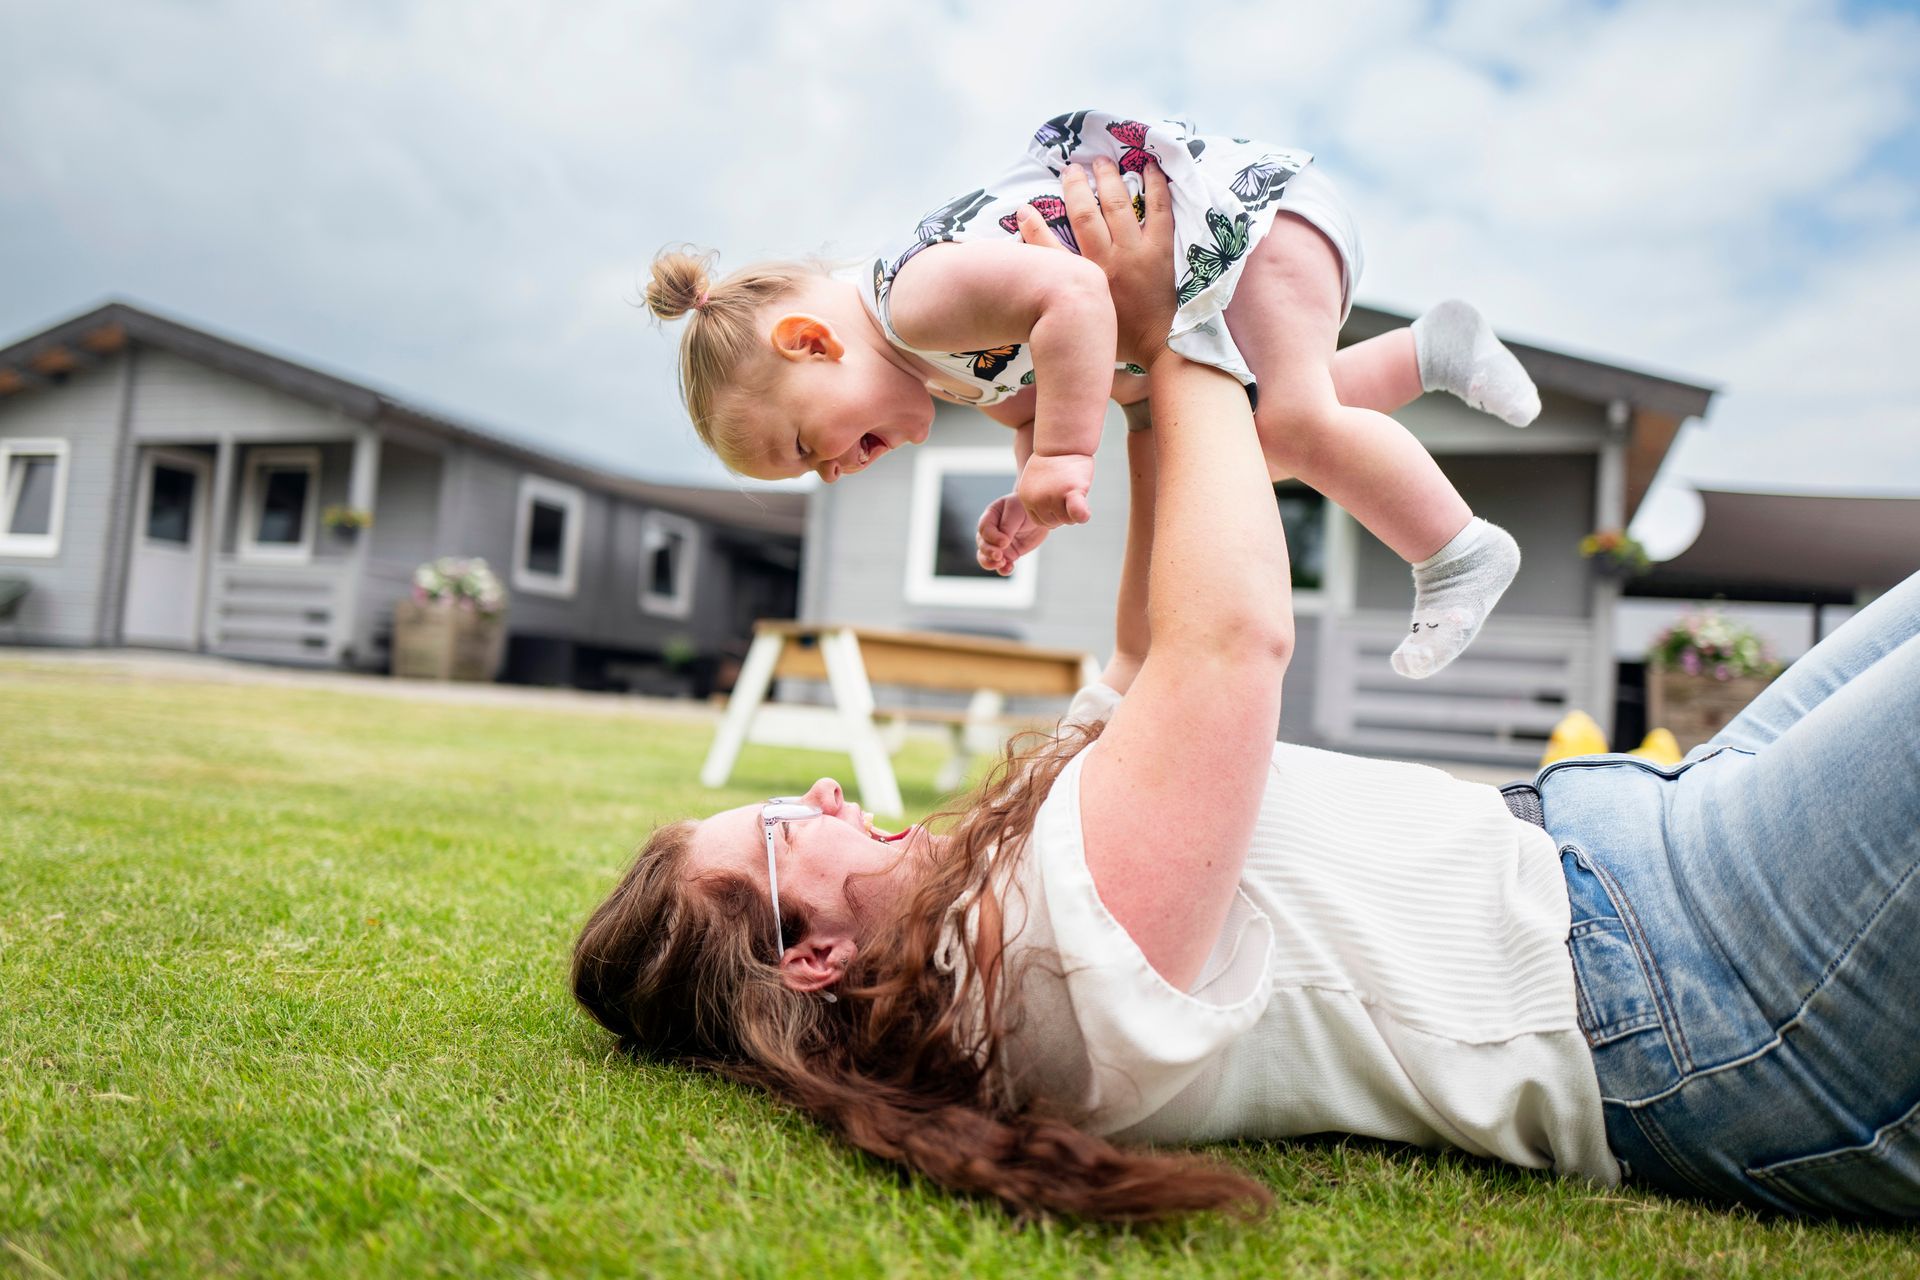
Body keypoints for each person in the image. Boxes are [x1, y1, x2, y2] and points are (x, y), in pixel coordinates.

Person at [580, 159, 1920, 1222]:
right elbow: (1224, 647)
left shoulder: (995, 896)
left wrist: (1129, 404)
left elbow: (1147, 659)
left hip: (1640, 839)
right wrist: (1176, 329)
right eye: (777, 829)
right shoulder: (1039, 983)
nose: (817, 790)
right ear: (807, 953)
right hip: (1709, 994)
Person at [643, 109, 1537, 679]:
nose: (833, 473)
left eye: (807, 447)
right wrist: (1033, 485)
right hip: (1218, 263)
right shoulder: (937, 364)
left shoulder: (909, 301)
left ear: (810, 343)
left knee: (1295, 425)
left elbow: (1069, 298)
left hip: (1244, 228)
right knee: (1252, 444)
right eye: (812, 476)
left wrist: (1070, 453)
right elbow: (1033, 399)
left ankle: (1456, 550)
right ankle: (1428, 352)